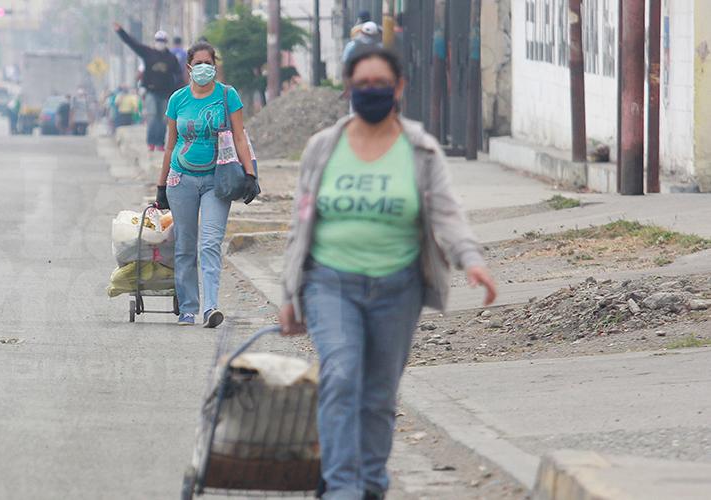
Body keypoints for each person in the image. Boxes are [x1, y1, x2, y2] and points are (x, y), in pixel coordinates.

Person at [278, 47, 497, 500]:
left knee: (378, 394)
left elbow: (446, 213)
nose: (371, 92)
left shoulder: (419, 149)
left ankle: (371, 484)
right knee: (340, 375)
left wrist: (471, 259)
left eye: (381, 84)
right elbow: (300, 223)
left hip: (399, 288)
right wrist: (289, 293)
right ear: (348, 88)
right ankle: (341, 487)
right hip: (329, 283)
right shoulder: (323, 147)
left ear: (399, 88)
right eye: (362, 85)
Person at [156, 41, 257, 328]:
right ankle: (188, 307)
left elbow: (240, 137)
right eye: (197, 64)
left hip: (219, 180)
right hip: (181, 179)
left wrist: (250, 175)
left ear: (215, 65)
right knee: (186, 245)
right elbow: (169, 145)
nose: (203, 68)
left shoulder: (228, 96)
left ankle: (211, 308)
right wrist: (161, 185)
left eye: (208, 63)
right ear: (189, 68)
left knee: (210, 243)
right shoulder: (178, 99)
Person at [113, 23, 185, 152]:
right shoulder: (148, 53)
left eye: (162, 41)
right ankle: (151, 143)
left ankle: (160, 143)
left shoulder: (171, 58)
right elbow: (133, 44)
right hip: (151, 91)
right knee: (152, 117)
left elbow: (179, 75)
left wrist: (176, 91)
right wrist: (120, 32)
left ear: (166, 42)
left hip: (166, 93)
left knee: (163, 120)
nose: (160, 43)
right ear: (155, 41)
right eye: (158, 40)